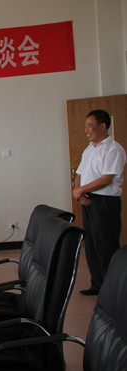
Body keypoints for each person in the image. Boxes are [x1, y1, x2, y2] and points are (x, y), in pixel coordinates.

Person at [73, 109, 126, 295]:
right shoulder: (89, 149)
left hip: (105, 203)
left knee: (106, 246)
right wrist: (79, 192)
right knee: (92, 246)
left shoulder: (114, 149)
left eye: (90, 125)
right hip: (89, 201)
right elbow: (79, 174)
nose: (86, 129)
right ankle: (98, 285)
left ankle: (112, 291)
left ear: (103, 126)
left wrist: (81, 190)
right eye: (85, 125)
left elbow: (106, 179)